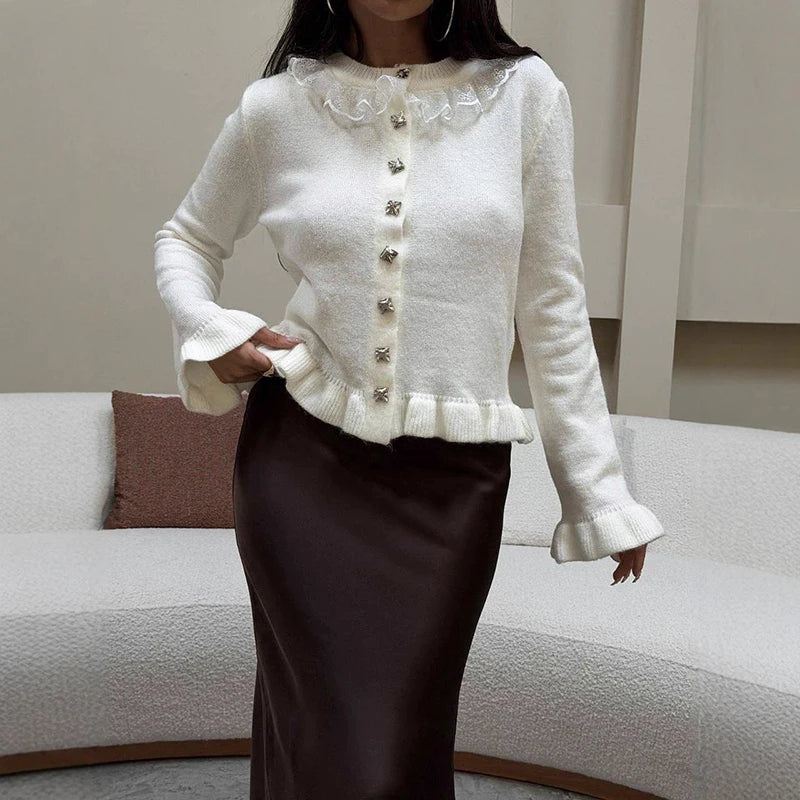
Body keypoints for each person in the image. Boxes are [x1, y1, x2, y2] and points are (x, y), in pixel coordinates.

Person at [153, 1, 666, 797]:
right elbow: (186, 239)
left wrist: (597, 494)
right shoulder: (278, 108)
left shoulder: (525, 96)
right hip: (302, 471)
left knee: (392, 750)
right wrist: (211, 331)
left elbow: (554, 307)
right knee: (331, 741)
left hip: (451, 492)